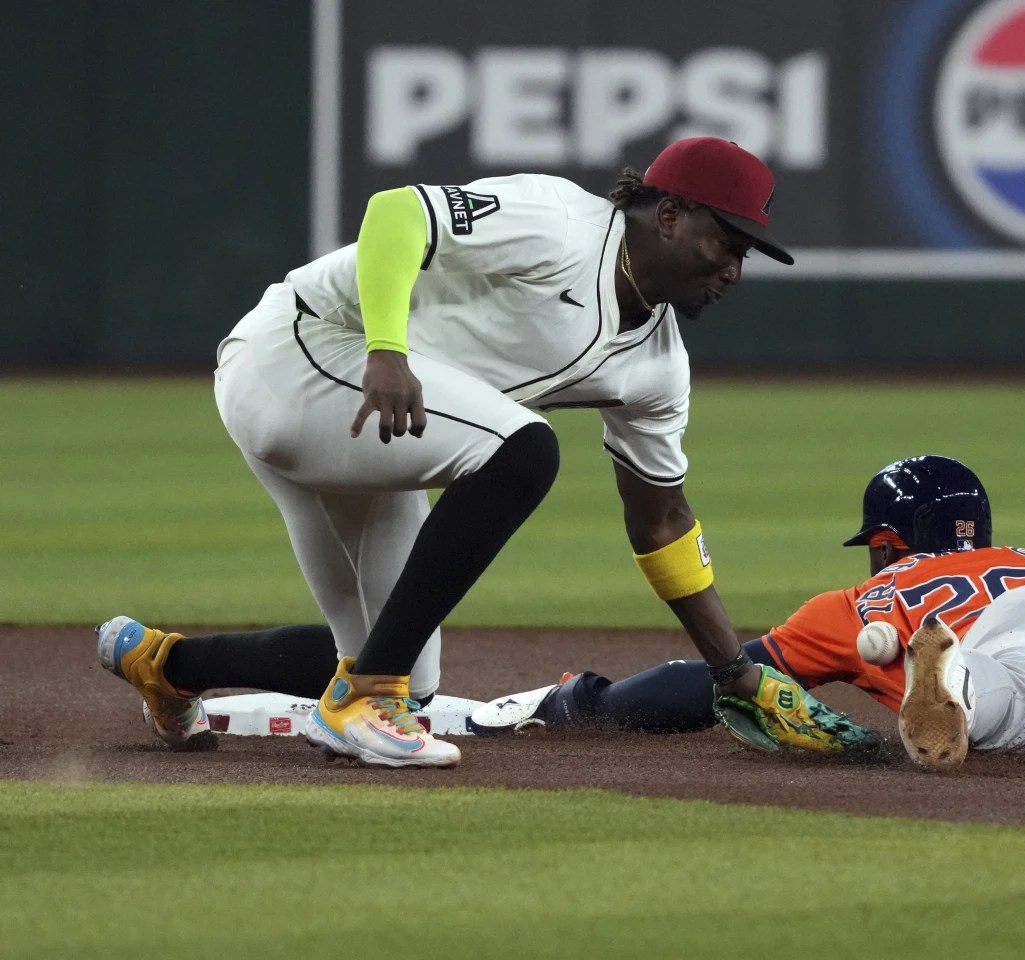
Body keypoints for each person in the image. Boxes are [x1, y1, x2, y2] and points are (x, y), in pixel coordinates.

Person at [96, 137, 844, 768]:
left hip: (378, 423)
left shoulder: (657, 367)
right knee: (525, 451)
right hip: (299, 352)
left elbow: (662, 521)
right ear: (671, 215)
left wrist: (736, 673)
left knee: (401, 664)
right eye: (725, 242)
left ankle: (165, 665)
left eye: (744, 253)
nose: (733, 269)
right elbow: (396, 212)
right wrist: (386, 350)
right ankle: (364, 697)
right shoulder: (562, 224)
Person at [468, 456, 1025, 775]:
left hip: (1003, 644)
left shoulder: (863, 600)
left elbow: (716, 680)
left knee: (1013, 698)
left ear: (889, 540)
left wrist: (586, 700)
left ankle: (954, 684)